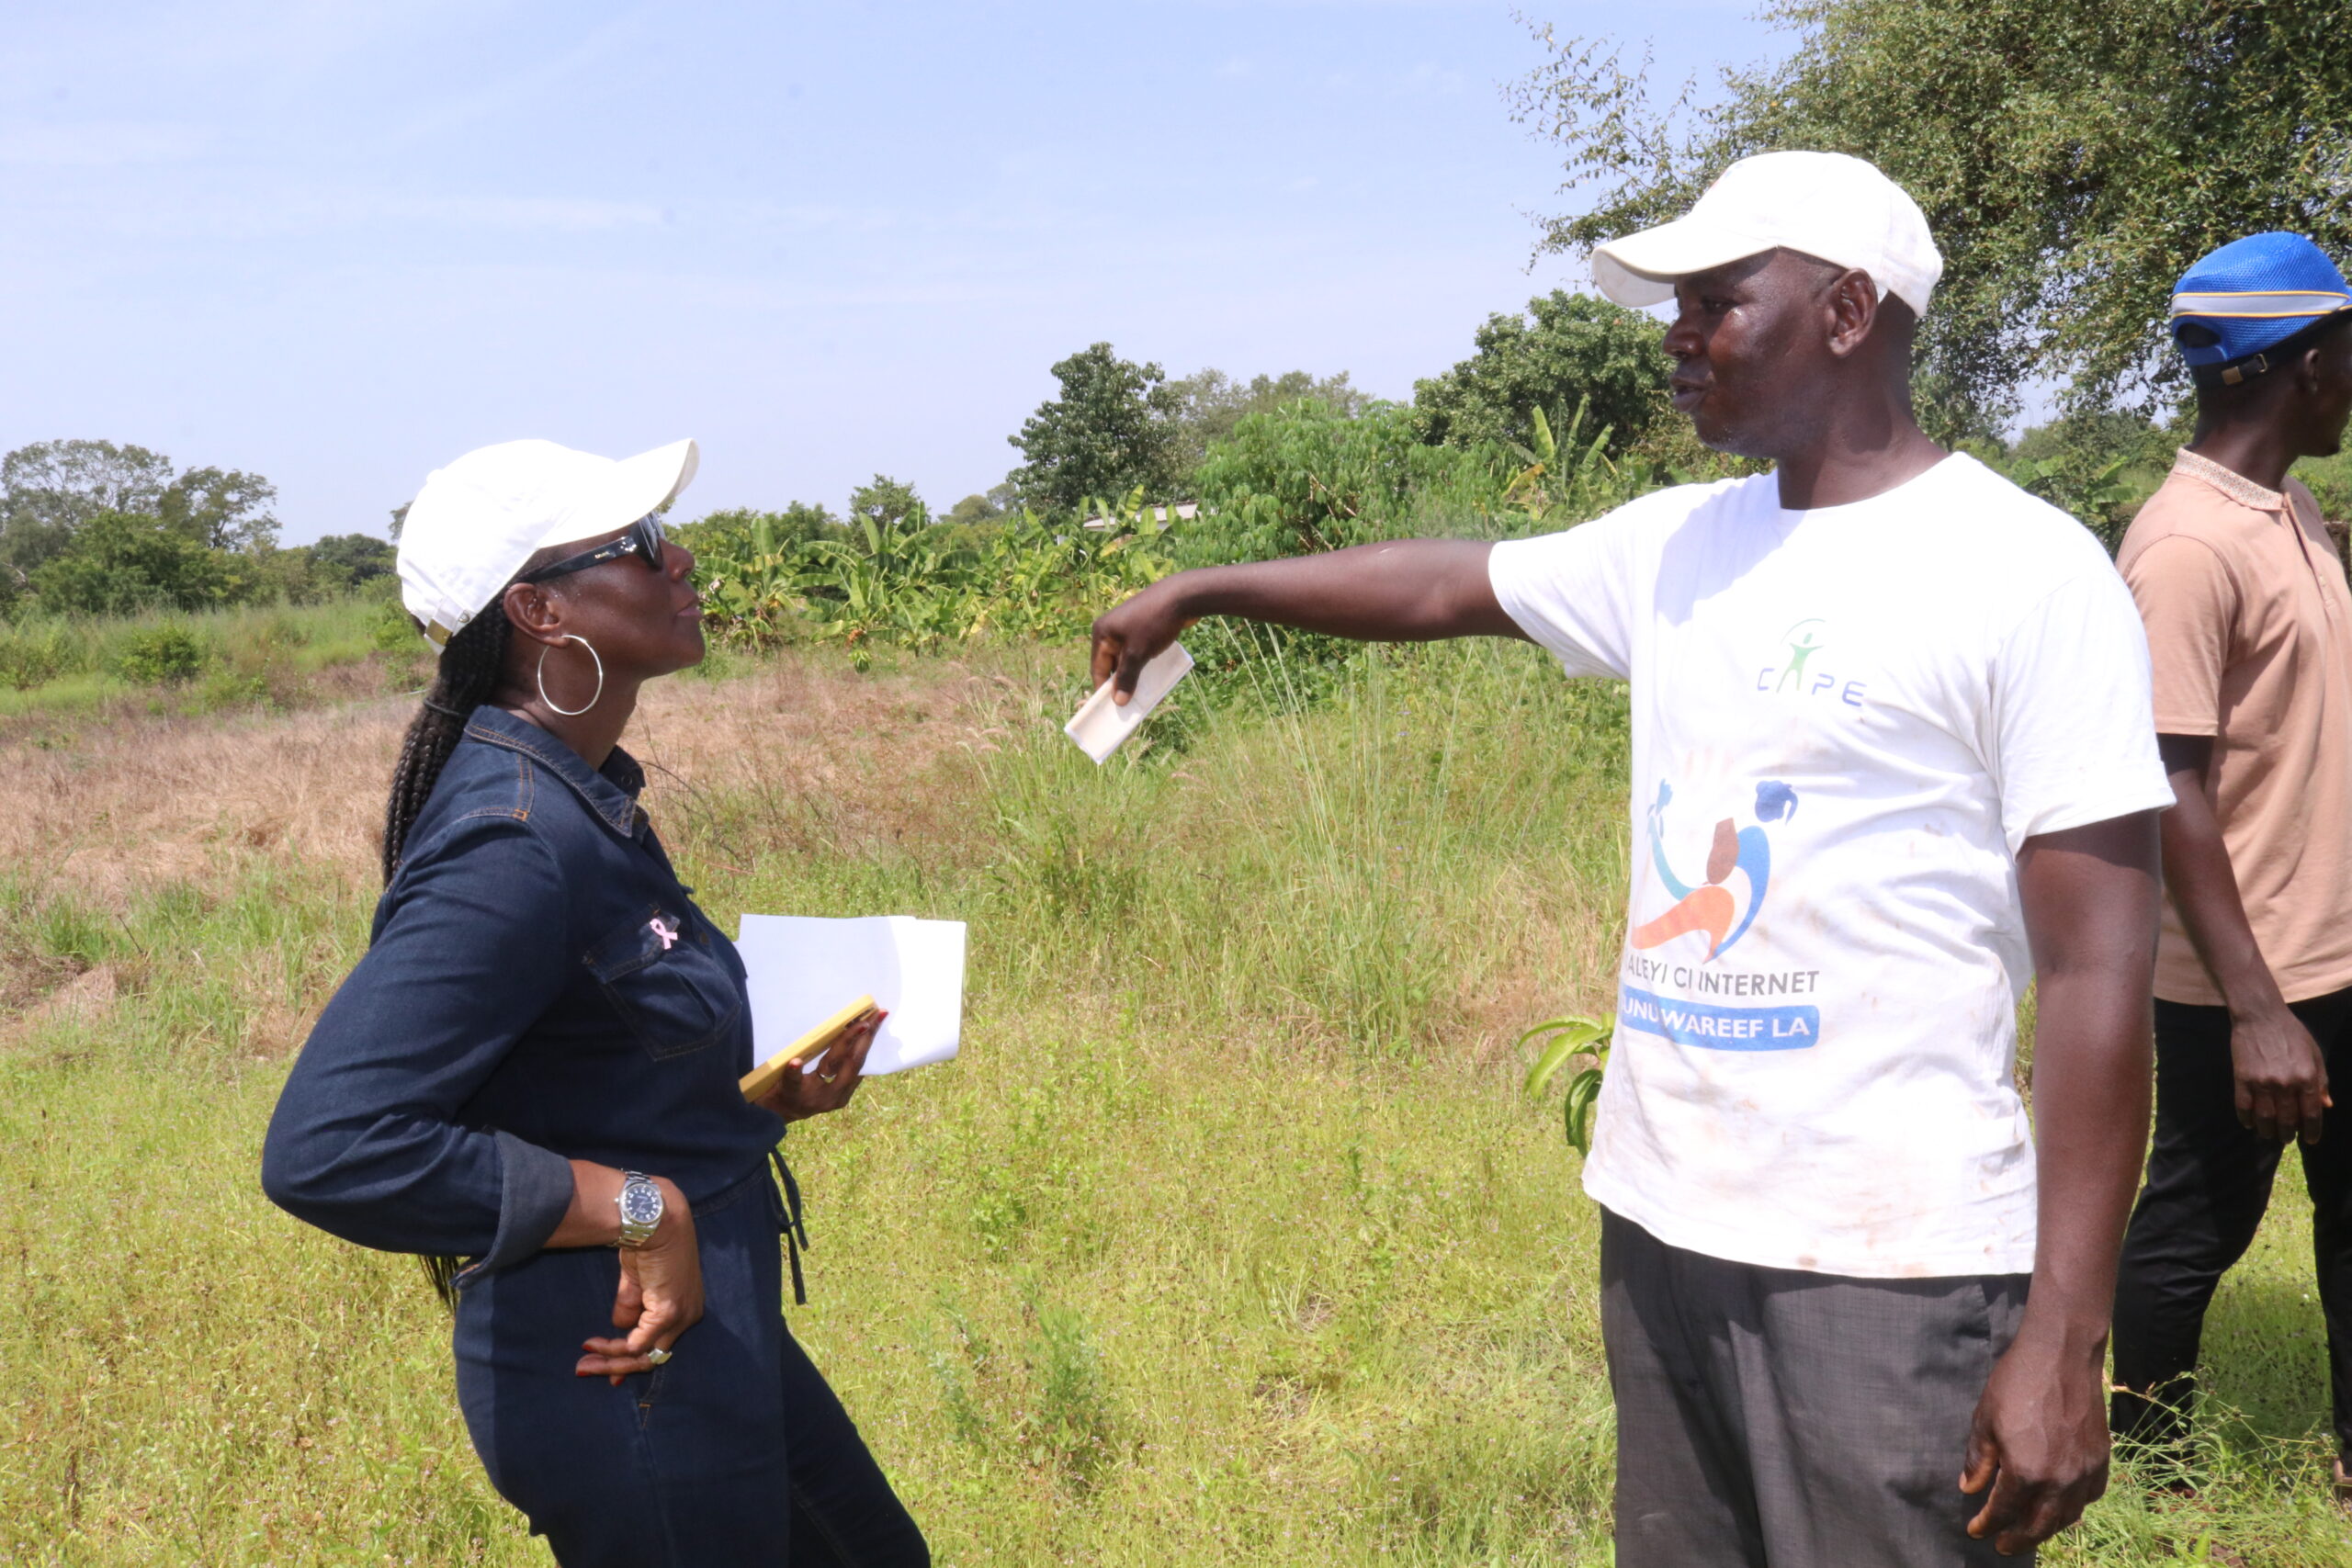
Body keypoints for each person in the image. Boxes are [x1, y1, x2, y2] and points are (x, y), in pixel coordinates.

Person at [1088, 152, 2173, 1565]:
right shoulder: (1679, 546)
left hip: (1889, 1261)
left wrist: (2064, 1333)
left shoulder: (2025, 573)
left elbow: (2100, 966)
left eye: (1716, 301)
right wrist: (1205, 588)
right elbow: (1445, 581)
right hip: (1666, 1218)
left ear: (1848, 310)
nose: (1676, 337)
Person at [261, 438, 930, 1568]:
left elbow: (587, 1058)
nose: (682, 561)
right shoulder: (513, 839)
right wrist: (641, 1207)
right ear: (537, 610)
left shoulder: (588, 793)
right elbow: (328, 1147)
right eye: (641, 545)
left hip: (710, 1327)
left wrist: (761, 1090)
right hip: (620, 1375)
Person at [2109, 233, 2352, 1498]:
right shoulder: (2185, 545)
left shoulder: (2286, 508)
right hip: (2244, 976)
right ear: (2305, 364)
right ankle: (2150, 1474)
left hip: (2338, 947)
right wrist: (2260, 1007)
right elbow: (2166, 783)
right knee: (2194, 1225)